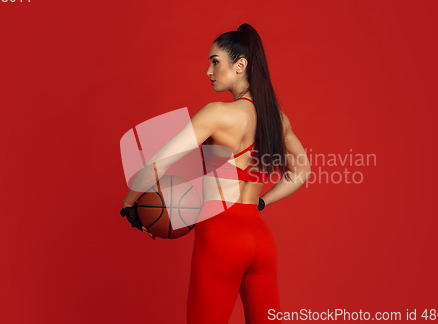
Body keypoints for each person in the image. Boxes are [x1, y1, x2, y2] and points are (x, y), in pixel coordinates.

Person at [121, 23, 311, 323]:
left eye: (215, 61)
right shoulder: (277, 118)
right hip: (261, 240)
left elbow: (160, 161)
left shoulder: (217, 114)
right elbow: (302, 171)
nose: (208, 71)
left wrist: (130, 203)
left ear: (240, 65)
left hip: (221, 237)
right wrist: (262, 203)